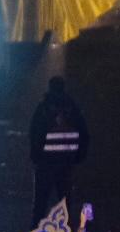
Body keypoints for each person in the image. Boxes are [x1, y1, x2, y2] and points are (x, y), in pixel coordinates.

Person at [28, 76, 88, 223]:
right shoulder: (73, 109)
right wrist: (78, 156)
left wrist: (36, 156)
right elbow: (83, 133)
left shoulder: (43, 108)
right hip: (66, 162)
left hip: (45, 163)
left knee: (40, 204)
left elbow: (34, 132)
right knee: (64, 203)